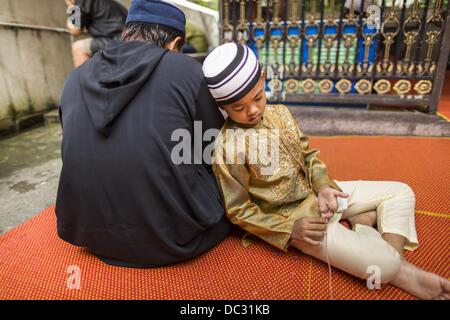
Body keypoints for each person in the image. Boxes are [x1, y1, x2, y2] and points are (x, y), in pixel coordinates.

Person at [203, 42, 450, 300]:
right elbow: (238, 210)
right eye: (238, 108)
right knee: (382, 268)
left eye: (257, 97)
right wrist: (290, 230)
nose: (252, 111)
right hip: (299, 222)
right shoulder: (228, 147)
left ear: (263, 78)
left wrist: (323, 187)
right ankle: (396, 264)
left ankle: (370, 233)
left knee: (401, 192)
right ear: (223, 107)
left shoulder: (281, 113)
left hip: (322, 197)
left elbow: (309, 157)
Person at [56, 0, 231, 268]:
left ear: (127, 33)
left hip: (91, 234)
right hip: (173, 238)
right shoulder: (186, 71)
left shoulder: (74, 79)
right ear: (174, 44)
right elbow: (214, 148)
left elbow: (70, 150)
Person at [65, 0, 128, 67]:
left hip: (119, 40)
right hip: (131, 38)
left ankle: (83, 77)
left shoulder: (80, 2)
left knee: (78, 48)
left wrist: (70, 5)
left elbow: (74, 30)